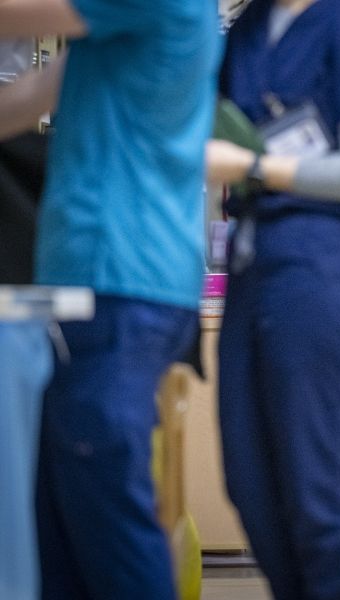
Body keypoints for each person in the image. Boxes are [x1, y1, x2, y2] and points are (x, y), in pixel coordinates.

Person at [0, 2, 221, 598]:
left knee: (104, 514)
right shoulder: (108, 37)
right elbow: (28, 97)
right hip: (91, 285)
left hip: (119, 282)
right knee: (61, 523)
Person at [205, 0, 340, 597]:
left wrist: (253, 165)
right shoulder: (244, 32)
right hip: (252, 268)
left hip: (324, 272)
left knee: (314, 494)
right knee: (250, 484)